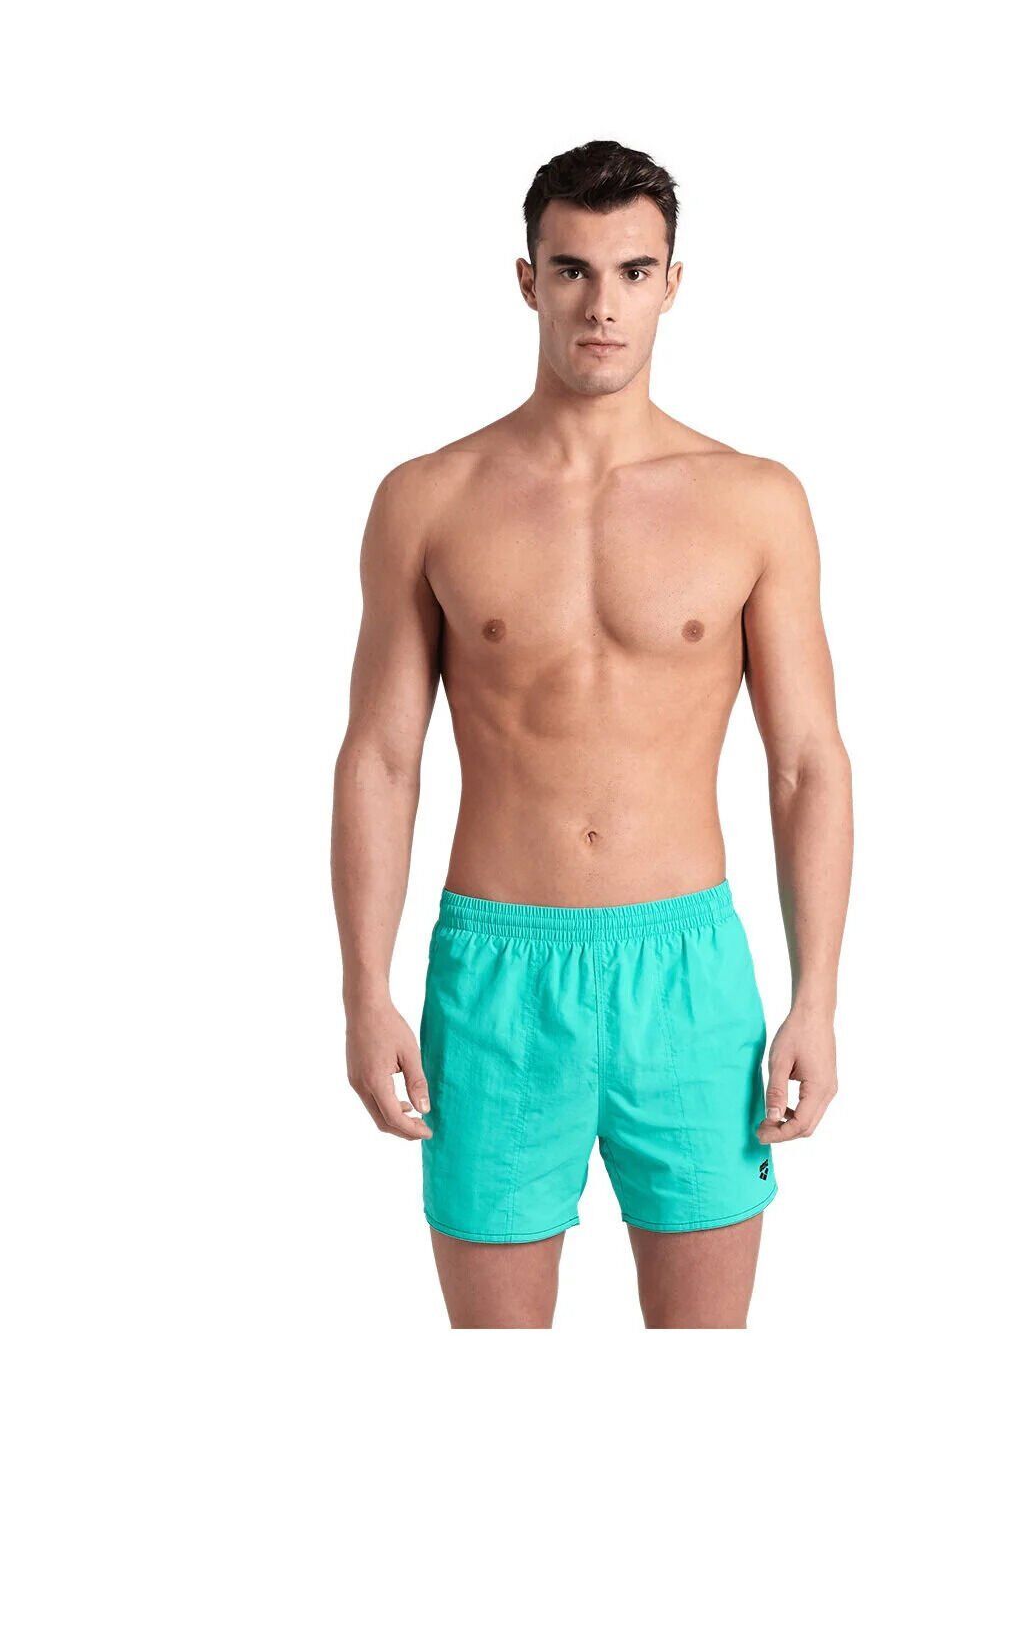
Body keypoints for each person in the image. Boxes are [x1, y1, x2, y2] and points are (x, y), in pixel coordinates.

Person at [331, 140, 853, 1328]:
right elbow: (382, 758)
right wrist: (365, 991)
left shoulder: (754, 500)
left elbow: (806, 762)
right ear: (528, 281)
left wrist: (817, 995)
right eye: (571, 270)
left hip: (689, 976)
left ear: (674, 283)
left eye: (632, 271)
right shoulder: (430, 497)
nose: (601, 305)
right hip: (496, 978)